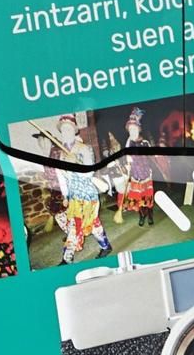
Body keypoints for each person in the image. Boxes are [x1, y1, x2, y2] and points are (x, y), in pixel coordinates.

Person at [47, 115, 111, 263]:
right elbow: (63, 178)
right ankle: (67, 257)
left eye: (69, 129)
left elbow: (89, 172)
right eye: (63, 130)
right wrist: (65, 195)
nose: (66, 132)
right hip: (74, 196)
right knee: (75, 225)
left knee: (91, 223)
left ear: (74, 131)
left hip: (88, 194)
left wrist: (75, 163)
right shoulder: (61, 154)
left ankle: (104, 247)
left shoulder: (85, 148)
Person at [119, 108, 157, 226]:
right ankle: (141, 216)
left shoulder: (145, 143)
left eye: (134, 129)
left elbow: (152, 158)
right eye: (130, 130)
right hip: (135, 176)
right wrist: (127, 159)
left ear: (138, 130)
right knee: (138, 199)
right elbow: (124, 158)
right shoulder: (128, 143)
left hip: (146, 175)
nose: (132, 132)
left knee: (148, 199)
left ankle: (150, 215)